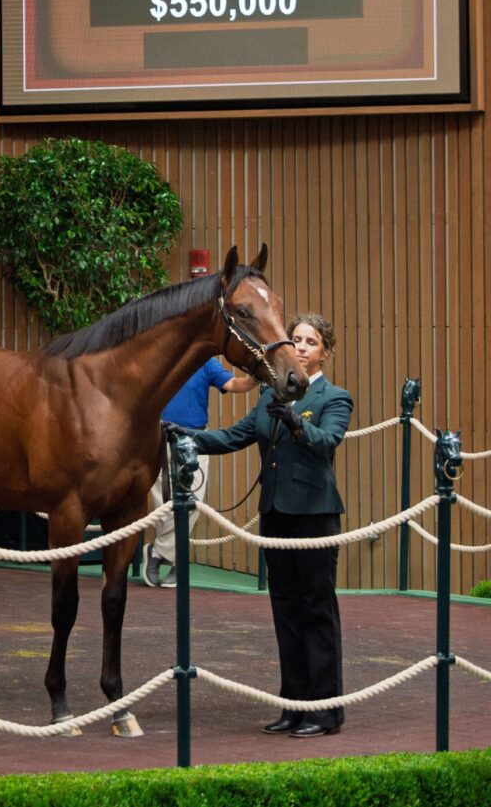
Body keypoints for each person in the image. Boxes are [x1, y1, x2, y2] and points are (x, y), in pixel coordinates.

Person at [187, 314, 353, 738]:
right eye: (295, 339)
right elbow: (236, 435)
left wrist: (296, 421)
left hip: (315, 516)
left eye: (309, 342)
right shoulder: (269, 393)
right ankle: (293, 706)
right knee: (285, 611)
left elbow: (326, 444)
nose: (299, 347)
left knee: (316, 610)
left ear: (324, 353)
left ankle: (325, 711)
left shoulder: (336, 398)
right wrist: (185, 436)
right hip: (276, 514)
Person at [142, 359, 257, 589]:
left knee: (191, 502)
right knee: (161, 502)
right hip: (156, 438)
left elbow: (234, 384)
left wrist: (255, 378)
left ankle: (158, 552)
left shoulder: (206, 362)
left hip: (194, 440)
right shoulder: (161, 355)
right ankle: (176, 558)